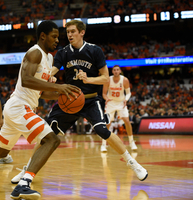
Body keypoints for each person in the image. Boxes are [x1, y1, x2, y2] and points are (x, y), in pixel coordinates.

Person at [0, 20, 80, 200]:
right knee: (52, 140)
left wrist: (64, 94)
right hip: (19, 107)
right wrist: (60, 87)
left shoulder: (49, 58)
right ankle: (24, 184)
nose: (58, 40)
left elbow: (41, 92)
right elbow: (26, 80)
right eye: (54, 36)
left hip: (18, 109)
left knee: (1, 151)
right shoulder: (35, 53)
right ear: (43, 36)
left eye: (58, 37)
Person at [12, 20, 148, 184]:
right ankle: (27, 169)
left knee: (102, 130)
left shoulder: (94, 50)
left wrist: (88, 79)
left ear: (82, 32)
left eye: (72, 31)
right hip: (69, 99)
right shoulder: (63, 52)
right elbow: (52, 71)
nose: (69, 35)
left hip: (90, 99)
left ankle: (133, 164)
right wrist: (49, 77)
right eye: (67, 32)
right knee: (46, 135)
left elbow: (105, 77)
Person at [101, 65, 138, 152]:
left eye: (117, 70)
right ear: (112, 71)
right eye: (114, 70)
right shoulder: (108, 80)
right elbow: (104, 94)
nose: (116, 71)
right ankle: (103, 144)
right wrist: (107, 99)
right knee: (107, 123)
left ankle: (132, 142)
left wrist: (126, 99)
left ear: (120, 71)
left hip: (121, 102)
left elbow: (128, 93)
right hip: (111, 103)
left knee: (127, 121)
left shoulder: (124, 80)